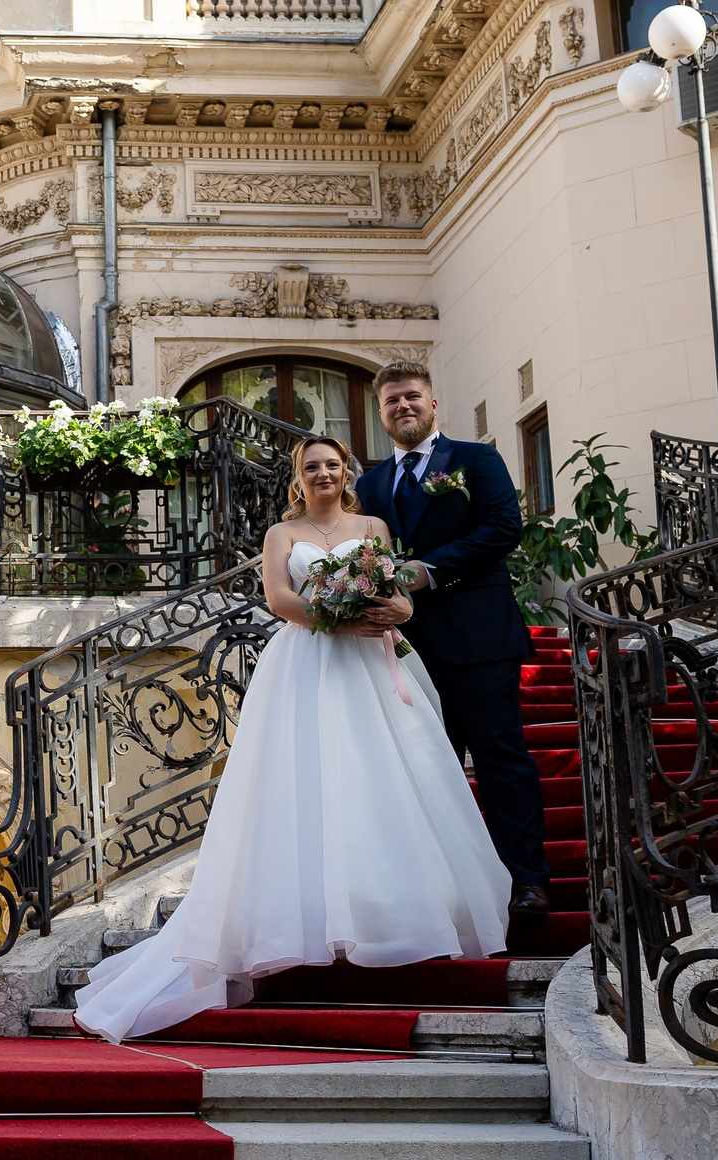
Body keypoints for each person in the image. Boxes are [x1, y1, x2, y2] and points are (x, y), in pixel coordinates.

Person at [70, 434, 511, 1043]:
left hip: (370, 664)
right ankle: (306, 922)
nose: (323, 473)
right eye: (312, 467)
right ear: (298, 478)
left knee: (380, 783)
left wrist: (391, 614)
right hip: (308, 664)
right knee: (304, 783)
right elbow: (280, 599)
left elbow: (401, 596)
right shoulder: (282, 535)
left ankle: (392, 917)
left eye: (332, 465)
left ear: (345, 473)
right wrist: (338, 617)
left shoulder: (373, 525)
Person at [355, 361, 553, 916]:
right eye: (392, 401)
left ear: (433, 403)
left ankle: (527, 882)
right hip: (404, 650)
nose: (403, 407)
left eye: (412, 397)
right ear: (381, 413)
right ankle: (441, 889)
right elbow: (364, 558)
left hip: (479, 638)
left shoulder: (474, 459)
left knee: (499, 760)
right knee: (421, 769)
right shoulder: (369, 485)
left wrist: (427, 570)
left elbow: (502, 526)